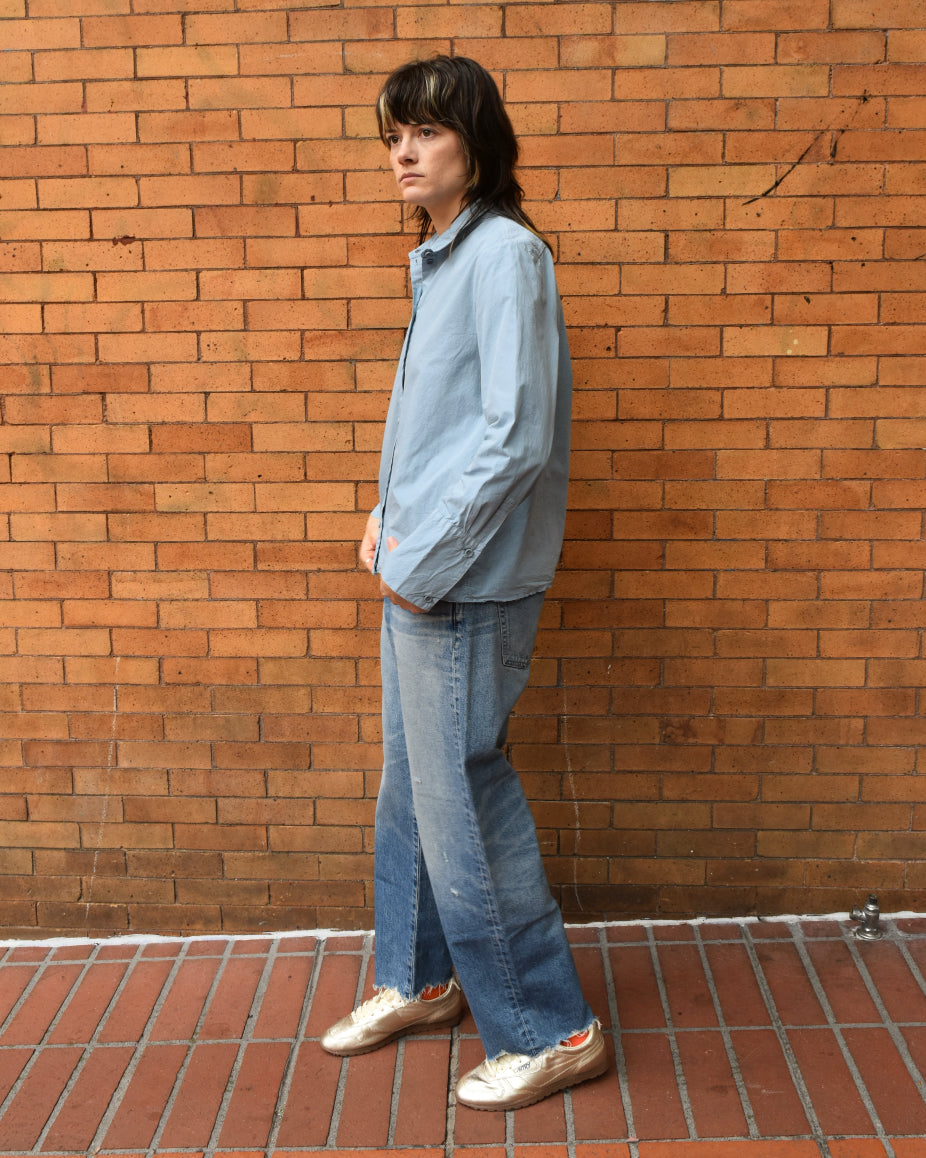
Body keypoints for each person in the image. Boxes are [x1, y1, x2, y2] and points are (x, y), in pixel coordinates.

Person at [320, 55, 607, 1112]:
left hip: (463, 584)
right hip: (423, 572)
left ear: (477, 145)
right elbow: (437, 425)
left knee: (466, 802)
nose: (403, 152)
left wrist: (422, 562)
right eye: (393, 134)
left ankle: (549, 1029)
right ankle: (420, 978)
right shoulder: (441, 258)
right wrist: (383, 516)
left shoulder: (504, 256)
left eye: (427, 132)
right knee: (413, 789)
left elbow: (514, 435)